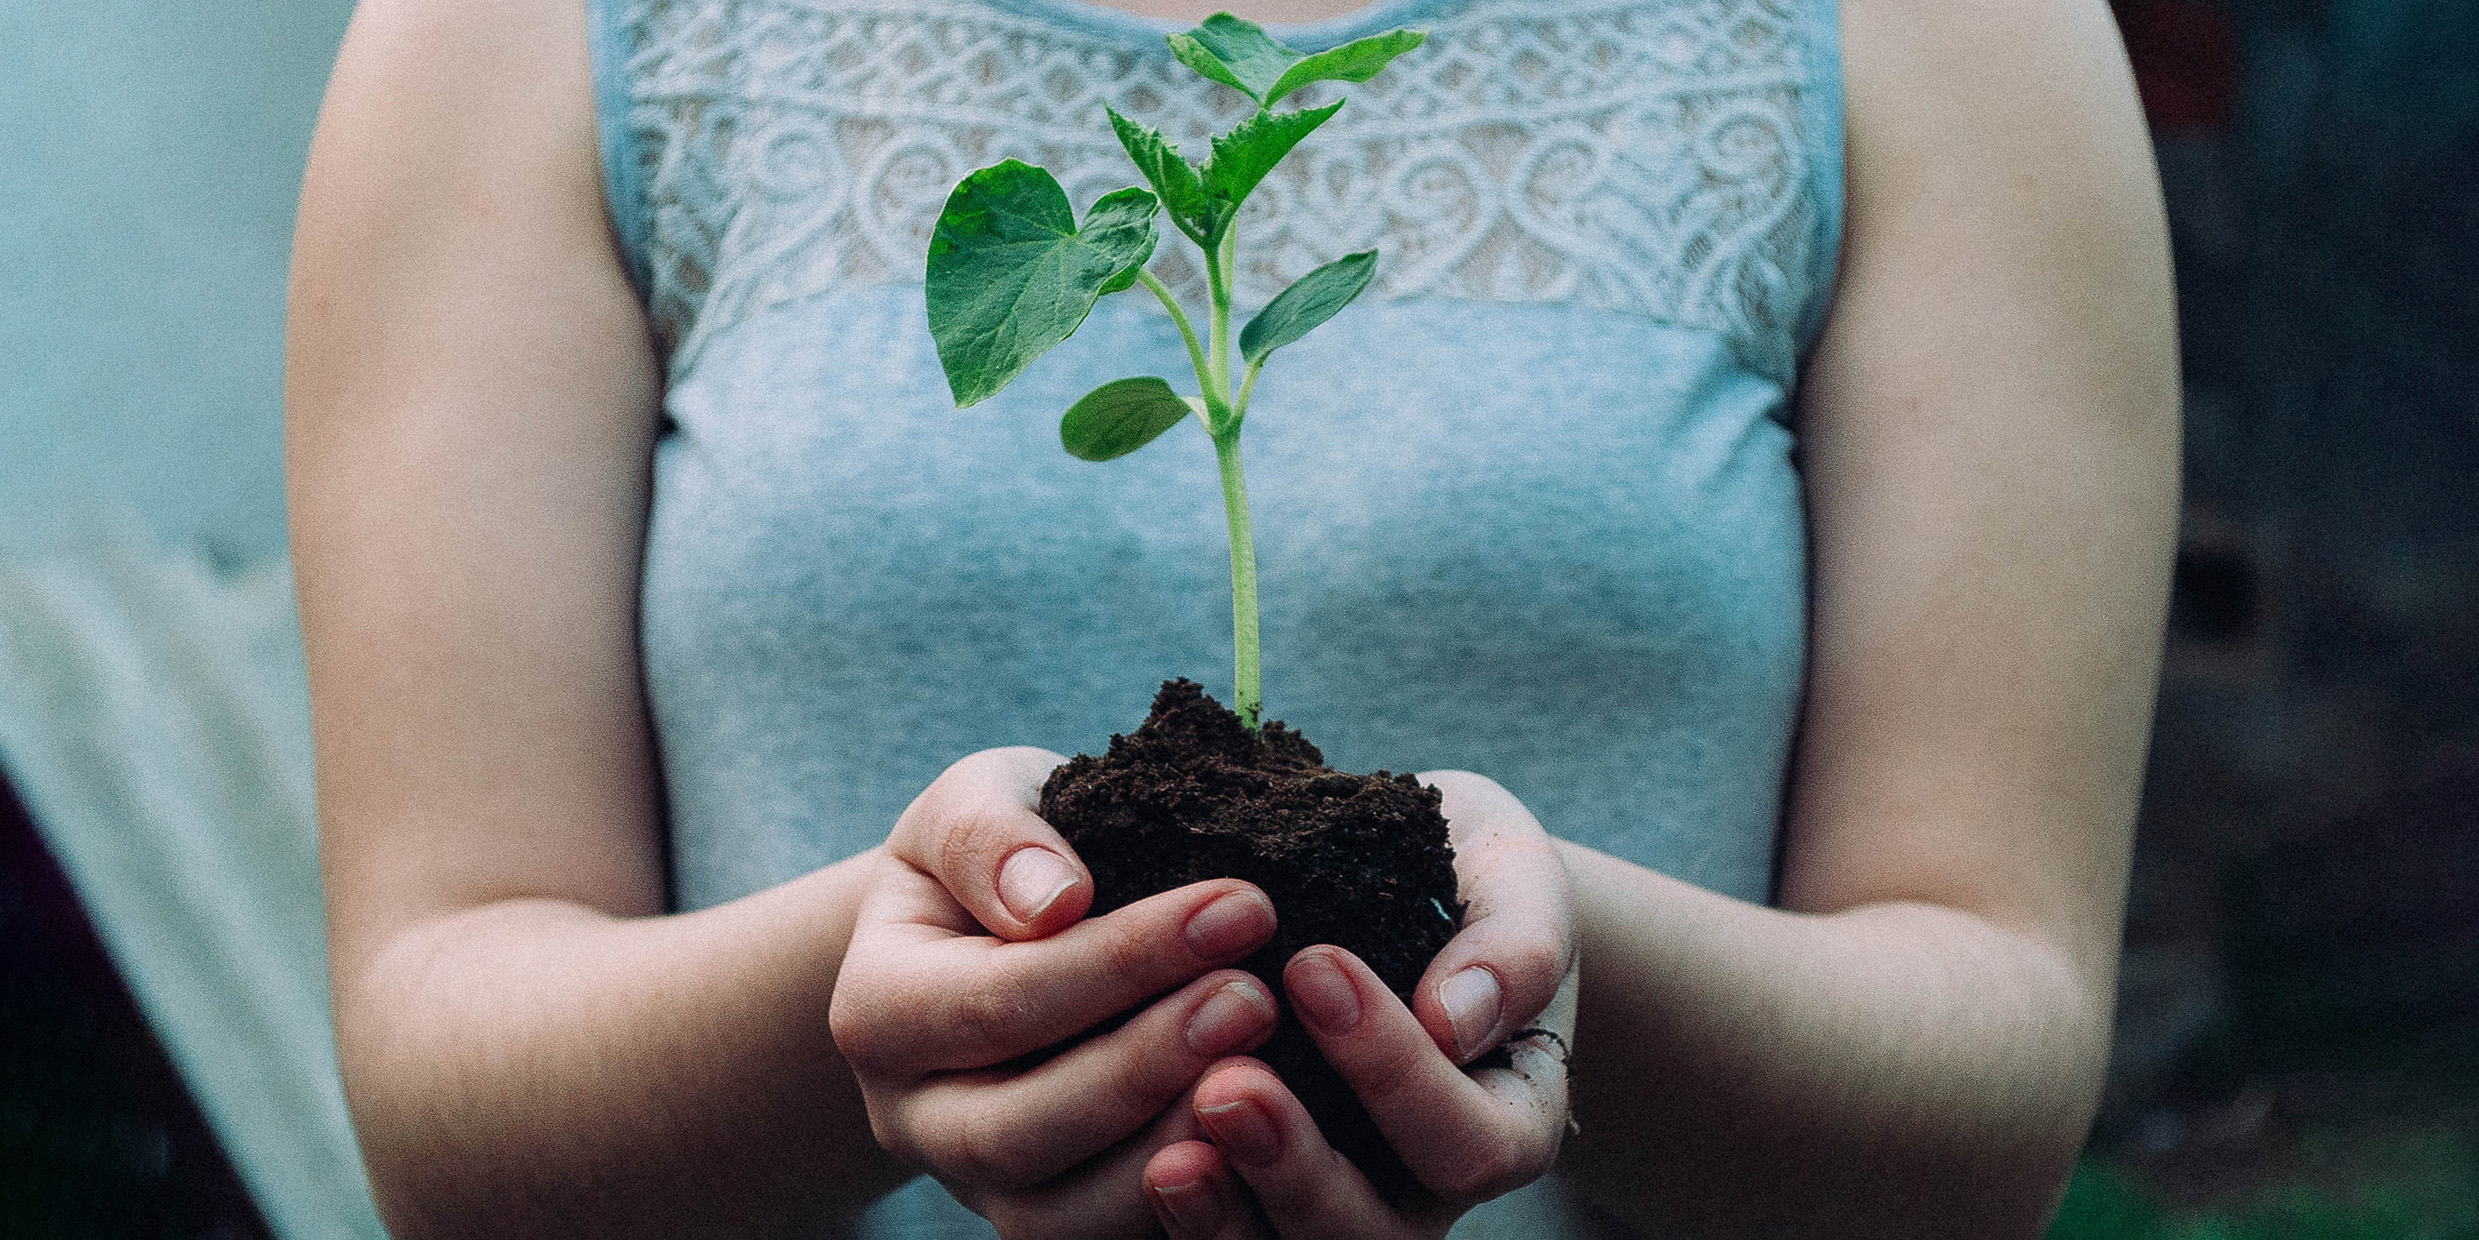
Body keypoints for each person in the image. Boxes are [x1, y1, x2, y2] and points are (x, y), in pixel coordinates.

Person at [283, 0, 2178, 1232]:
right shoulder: (518, 35)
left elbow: (1992, 1078)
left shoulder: (1947, 36)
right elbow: (447, 1099)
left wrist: (1567, 966)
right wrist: (883, 991)